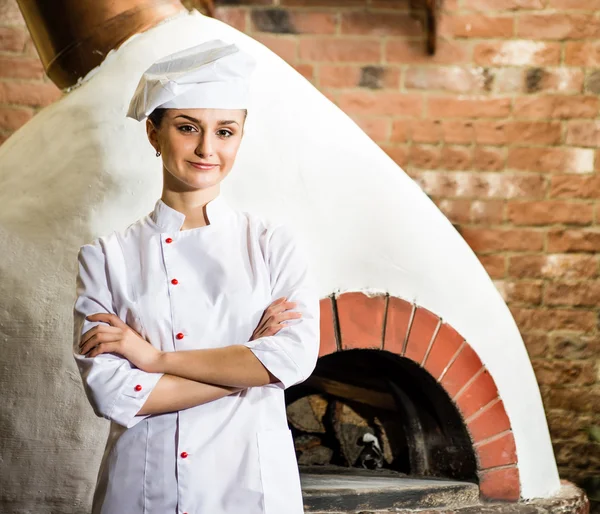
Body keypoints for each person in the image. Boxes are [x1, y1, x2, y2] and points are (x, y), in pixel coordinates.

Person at [72, 39, 320, 514]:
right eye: (188, 128)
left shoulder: (272, 244)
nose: (208, 148)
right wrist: (249, 368)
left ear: (241, 137)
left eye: (225, 131)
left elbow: (294, 359)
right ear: (154, 133)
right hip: (147, 487)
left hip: (251, 485)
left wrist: (154, 357)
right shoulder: (106, 257)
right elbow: (113, 394)